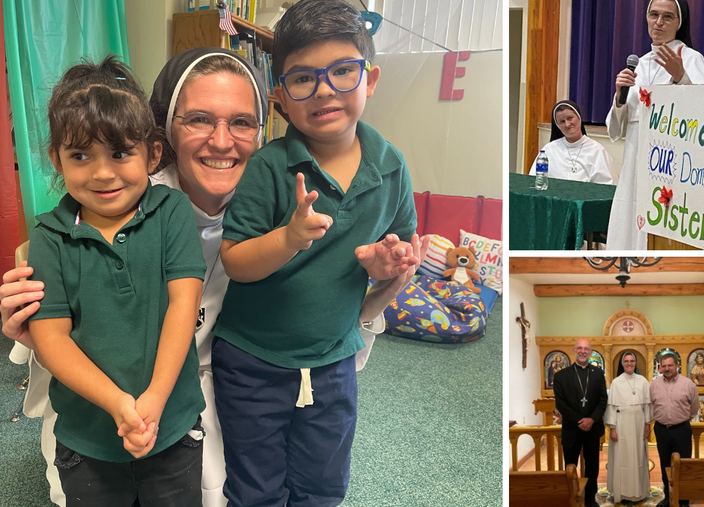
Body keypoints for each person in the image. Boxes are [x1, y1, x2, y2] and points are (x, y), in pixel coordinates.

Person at [2, 46, 426, 507]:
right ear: (164, 133)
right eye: (199, 119)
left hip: (234, 385)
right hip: (112, 395)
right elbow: (55, 331)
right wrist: (24, 324)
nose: (222, 142)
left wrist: (385, 290)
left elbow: (326, 333)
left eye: (242, 123)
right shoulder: (118, 199)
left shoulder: (292, 208)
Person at [211, 1, 418, 505]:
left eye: (343, 72)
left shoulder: (391, 167)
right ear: (280, 96)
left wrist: (388, 263)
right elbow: (235, 261)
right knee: (256, 486)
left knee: (324, 484)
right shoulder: (269, 166)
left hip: (333, 364)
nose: (325, 89)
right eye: (303, 78)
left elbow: (401, 249)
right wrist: (288, 237)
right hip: (252, 361)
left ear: (369, 80)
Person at [24, 56, 208, 505]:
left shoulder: (172, 212)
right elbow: (51, 338)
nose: (102, 172)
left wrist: (155, 401)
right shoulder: (48, 235)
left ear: (152, 153)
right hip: (88, 443)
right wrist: (118, 405)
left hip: (173, 430)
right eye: (80, 155)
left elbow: (184, 307)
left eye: (121, 152)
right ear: (56, 159)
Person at [605, 0, 704, 250]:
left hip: (671, 165)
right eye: (654, 15)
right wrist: (620, 96)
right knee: (629, 224)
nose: (659, 22)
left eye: (667, 16)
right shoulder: (639, 64)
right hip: (634, 163)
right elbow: (616, 130)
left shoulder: (691, 58)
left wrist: (681, 77)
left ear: (679, 22)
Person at [553, 339, 608, 507]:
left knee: (592, 466)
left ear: (591, 352)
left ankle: (591, 498)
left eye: (586, 349)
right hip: (572, 429)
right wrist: (579, 420)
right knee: (570, 466)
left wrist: (591, 419)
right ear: (574, 350)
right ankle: (571, 496)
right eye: (580, 348)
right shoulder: (561, 376)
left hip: (592, 428)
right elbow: (560, 404)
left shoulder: (598, 374)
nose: (583, 351)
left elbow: (602, 400)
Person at [650, 353, 699, 507]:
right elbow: (651, 405)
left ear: (677, 366)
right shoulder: (655, 385)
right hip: (661, 429)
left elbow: (694, 408)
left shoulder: (688, 384)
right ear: (660, 367)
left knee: (683, 464)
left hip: (681, 430)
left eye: (670, 365)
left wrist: (682, 419)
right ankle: (667, 497)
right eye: (663, 366)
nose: (667, 368)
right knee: (665, 463)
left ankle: (683, 500)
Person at [529, 100, 616, 184]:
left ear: (579, 118)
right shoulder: (549, 150)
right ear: (558, 126)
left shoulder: (597, 150)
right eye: (562, 121)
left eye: (570, 118)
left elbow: (607, 184)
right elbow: (535, 180)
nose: (567, 124)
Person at [604, 351, 652, 504]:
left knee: (638, 456)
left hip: (638, 424)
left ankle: (639, 492)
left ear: (635, 363)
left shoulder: (643, 381)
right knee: (621, 457)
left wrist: (647, 424)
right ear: (622, 363)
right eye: (626, 361)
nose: (629, 363)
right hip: (621, 425)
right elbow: (611, 407)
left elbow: (647, 406)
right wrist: (612, 428)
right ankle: (622, 493)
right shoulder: (616, 382)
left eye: (632, 361)